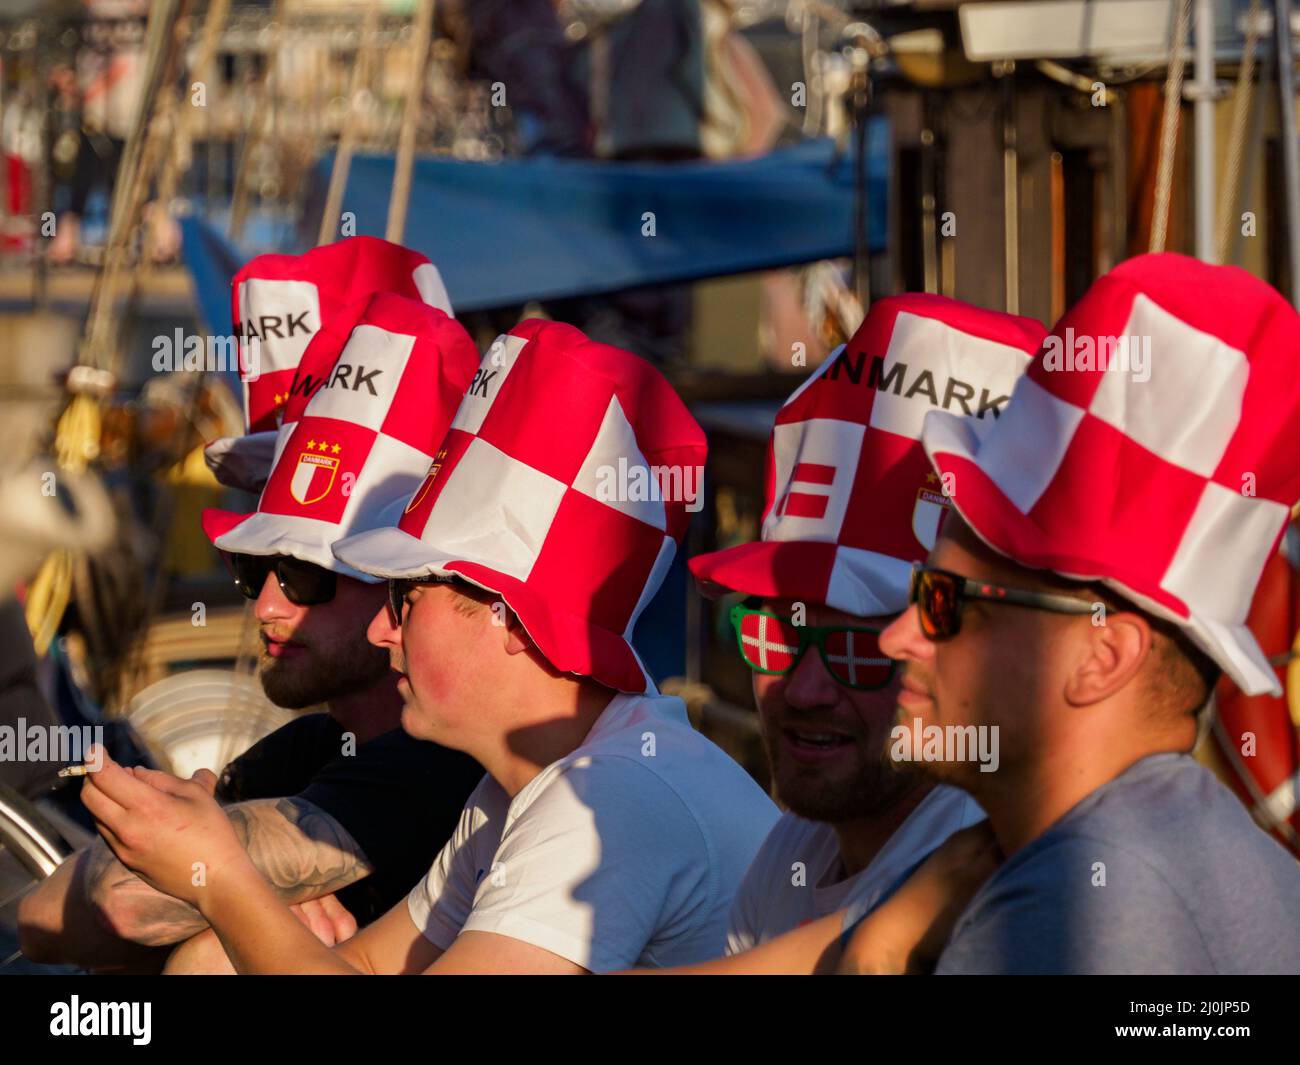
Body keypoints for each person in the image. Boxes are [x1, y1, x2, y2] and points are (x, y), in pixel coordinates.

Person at [75, 318, 781, 974]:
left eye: (403, 598)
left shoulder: (609, 793)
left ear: (508, 616)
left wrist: (222, 875)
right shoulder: (518, 790)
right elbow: (365, 966)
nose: (384, 630)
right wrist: (238, 891)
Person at [840, 253, 1300, 974]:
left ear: (1101, 656)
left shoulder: (1074, 904)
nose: (897, 638)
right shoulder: (1173, 848)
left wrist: (878, 949)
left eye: (941, 603)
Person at [19, 291, 484, 973]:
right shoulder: (312, 747)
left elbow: (121, 899)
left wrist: (218, 893)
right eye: (254, 567)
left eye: (303, 575)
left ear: (396, 580)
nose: (266, 604)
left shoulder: (438, 763)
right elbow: (38, 915)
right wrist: (247, 897)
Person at [684, 294, 1044, 961]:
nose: (806, 688)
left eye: (863, 647)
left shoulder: (990, 868)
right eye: (783, 633)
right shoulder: (798, 848)